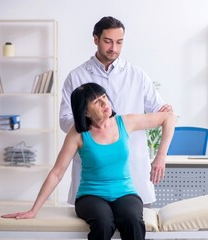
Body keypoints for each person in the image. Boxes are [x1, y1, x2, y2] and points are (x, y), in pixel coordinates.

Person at [1, 83, 176, 240]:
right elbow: (57, 173)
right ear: (85, 111)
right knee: (104, 223)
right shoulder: (77, 134)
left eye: (104, 97)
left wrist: (161, 156)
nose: (104, 103)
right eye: (96, 101)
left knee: (132, 220)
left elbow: (168, 117)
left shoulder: (125, 122)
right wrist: (33, 210)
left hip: (124, 192)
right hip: (90, 196)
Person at [59, 16, 173, 206]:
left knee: (133, 222)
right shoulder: (77, 76)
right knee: (96, 224)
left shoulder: (137, 75)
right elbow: (65, 119)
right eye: (108, 41)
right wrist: (96, 125)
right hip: (93, 170)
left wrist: (161, 155)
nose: (114, 48)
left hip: (131, 168)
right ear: (95, 39)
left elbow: (161, 113)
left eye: (119, 42)